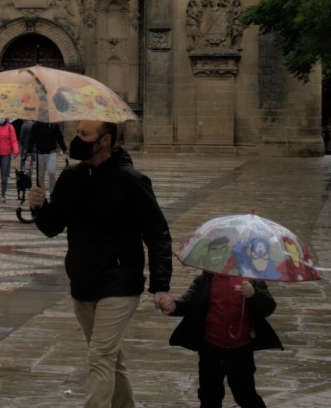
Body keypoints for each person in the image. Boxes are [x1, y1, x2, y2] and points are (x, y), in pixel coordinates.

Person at [28, 119, 172, 408]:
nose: (76, 138)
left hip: (120, 281)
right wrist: (39, 207)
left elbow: (157, 234)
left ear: (104, 140)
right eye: (77, 132)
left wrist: (160, 285)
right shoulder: (71, 177)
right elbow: (53, 226)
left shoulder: (132, 181)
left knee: (100, 357)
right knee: (109, 357)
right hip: (83, 281)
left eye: (84, 134)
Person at [156, 270, 282, 408]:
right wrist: (175, 305)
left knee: (245, 395)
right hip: (211, 349)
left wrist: (253, 294)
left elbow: (269, 307)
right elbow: (190, 301)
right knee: (209, 396)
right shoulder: (207, 278)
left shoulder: (251, 279)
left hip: (241, 351)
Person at [28, 120, 68, 195]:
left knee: (51, 171)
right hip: (39, 153)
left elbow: (59, 138)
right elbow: (31, 139)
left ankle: (52, 192)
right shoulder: (36, 126)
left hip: (51, 152)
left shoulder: (54, 125)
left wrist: (65, 149)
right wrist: (29, 153)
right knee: (40, 176)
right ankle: (42, 193)